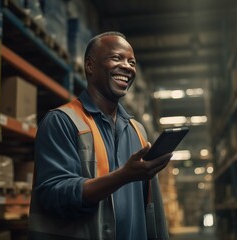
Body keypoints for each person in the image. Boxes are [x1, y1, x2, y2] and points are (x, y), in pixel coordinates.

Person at [28, 31, 171, 240]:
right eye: (116, 58)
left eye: (132, 62)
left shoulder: (136, 130)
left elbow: (151, 206)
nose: (127, 66)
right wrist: (124, 176)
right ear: (90, 66)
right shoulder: (62, 121)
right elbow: (53, 195)